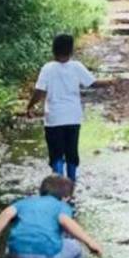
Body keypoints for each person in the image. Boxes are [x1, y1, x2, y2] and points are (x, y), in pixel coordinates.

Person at [26, 33, 96, 183]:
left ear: (53, 50)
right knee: (72, 152)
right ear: (71, 50)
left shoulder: (48, 68)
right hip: (73, 118)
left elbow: (39, 91)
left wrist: (30, 107)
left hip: (54, 119)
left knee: (56, 154)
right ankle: (71, 184)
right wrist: (111, 82)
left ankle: (57, 184)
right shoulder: (76, 66)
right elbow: (91, 82)